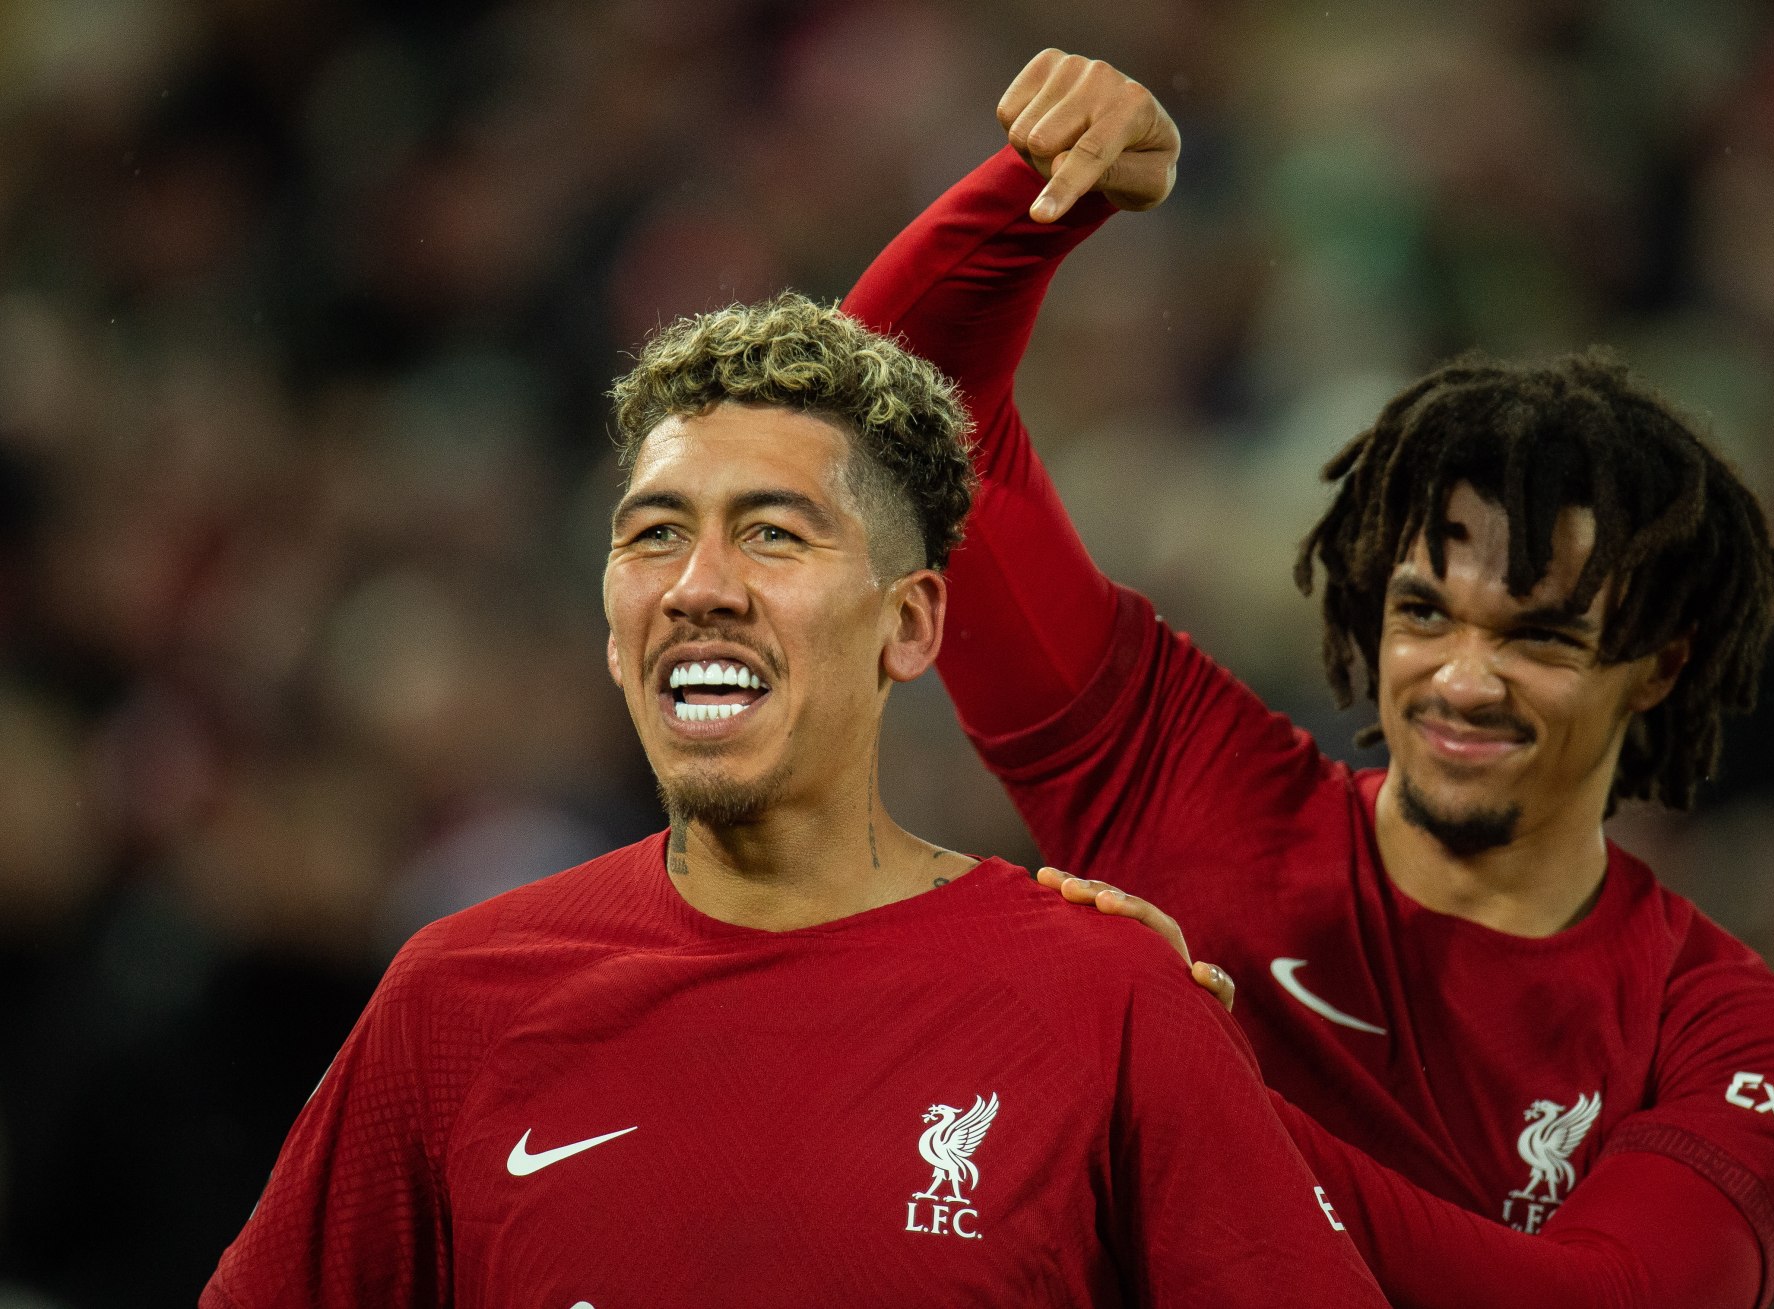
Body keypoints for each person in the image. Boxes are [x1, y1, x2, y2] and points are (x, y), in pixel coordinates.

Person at [841, 48, 1774, 1309]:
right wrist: (1047, 186)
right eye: (1424, 613)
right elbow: (896, 405)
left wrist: (1178, 1065)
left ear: (1658, 666)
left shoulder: (1743, 1039)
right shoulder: (1192, 793)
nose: (1462, 679)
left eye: (1539, 637)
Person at [200, 295, 1388, 1307]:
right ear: (612, 630)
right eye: (654, 534)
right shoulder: (454, 1001)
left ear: (909, 622)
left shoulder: (1104, 996)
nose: (697, 587)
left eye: (772, 533)